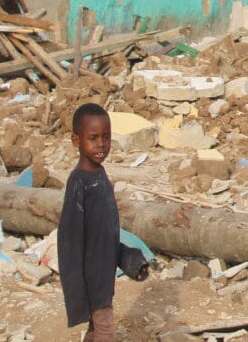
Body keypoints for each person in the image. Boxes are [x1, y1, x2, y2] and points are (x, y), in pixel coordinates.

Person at [59, 103, 149, 342]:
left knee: (95, 330)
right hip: (91, 278)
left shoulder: (100, 176)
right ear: (76, 141)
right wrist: (77, 287)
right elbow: (70, 239)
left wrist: (125, 257)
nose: (101, 144)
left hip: (102, 271)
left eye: (106, 137)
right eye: (93, 138)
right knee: (106, 330)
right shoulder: (79, 183)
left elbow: (103, 232)